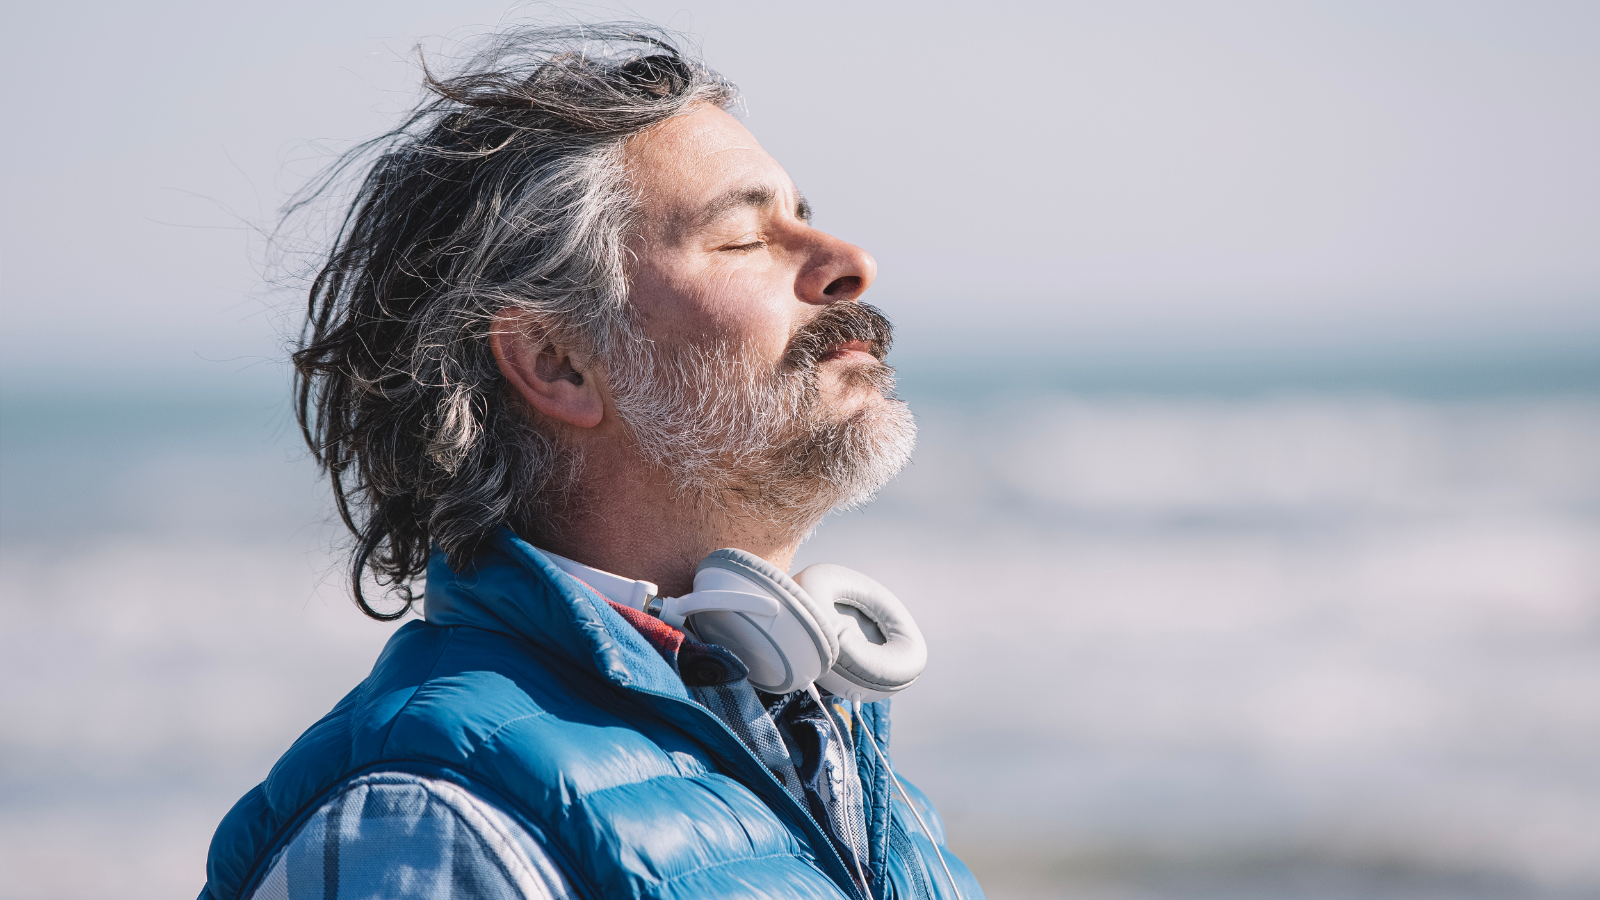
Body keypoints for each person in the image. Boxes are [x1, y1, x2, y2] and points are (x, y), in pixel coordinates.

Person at [201, 23, 983, 900]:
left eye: (802, 215)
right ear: (557, 362)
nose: (851, 263)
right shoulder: (429, 820)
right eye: (743, 238)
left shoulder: (862, 781)